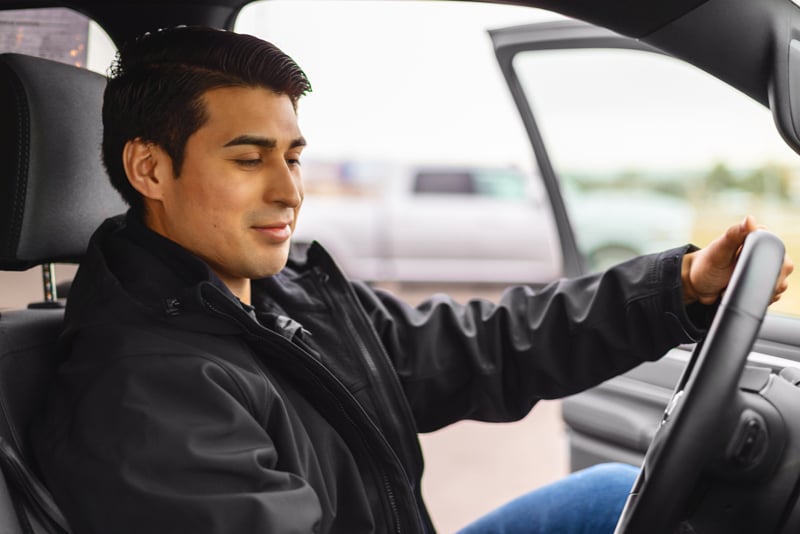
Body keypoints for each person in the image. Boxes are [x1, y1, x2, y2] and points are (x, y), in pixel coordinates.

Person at [30, 26, 792, 534]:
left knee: (607, 493)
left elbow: (476, 349)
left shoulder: (280, 294)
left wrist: (677, 290)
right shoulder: (141, 390)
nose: (290, 192)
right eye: (248, 157)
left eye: (292, 157)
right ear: (150, 169)